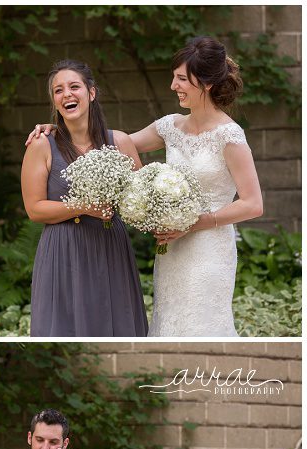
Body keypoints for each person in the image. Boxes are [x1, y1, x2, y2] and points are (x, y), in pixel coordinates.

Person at [27, 37, 263, 336]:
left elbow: (254, 204)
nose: (173, 85)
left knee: (203, 322)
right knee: (169, 320)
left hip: (208, 247)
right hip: (171, 244)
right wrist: (54, 129)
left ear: (204, 83)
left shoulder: (229, 136)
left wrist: (193, 223)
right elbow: (106, 145)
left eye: (181, 79)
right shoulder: (170, 126)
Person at [22, 59, 148, 337]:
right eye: (58, 90)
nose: (66, 94)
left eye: (74, 86)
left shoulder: (121, 143)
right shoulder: (42, 145)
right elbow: (34, 209)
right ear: (54, 102)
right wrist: (85, 207)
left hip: (110, 248)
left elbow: (141, 201)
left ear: (91, 93)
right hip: (63, 251)